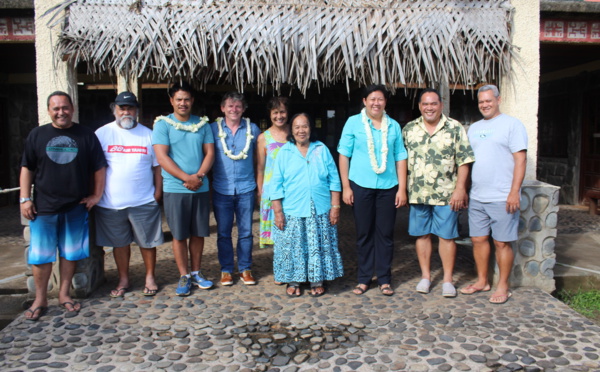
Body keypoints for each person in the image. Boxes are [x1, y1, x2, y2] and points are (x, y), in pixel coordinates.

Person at [20, 91, 107, 320]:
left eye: (65, 108)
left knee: (70, 254)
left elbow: (99, 167)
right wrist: (24, 198)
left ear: (72, 108)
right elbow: (26, 168)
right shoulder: (37, 135)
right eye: (56, 108)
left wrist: (96, 195)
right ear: (49, 110)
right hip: (43, 208)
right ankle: (40, 298)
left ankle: (64, 294)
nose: (61, 112)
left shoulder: (86, 135)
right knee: (41, 256)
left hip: (75, 207)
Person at [402, 88, 475, 297]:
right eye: (425, 104)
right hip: (418, 193)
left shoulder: (454, 127)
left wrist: (460, 188)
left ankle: (448, 280)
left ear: (441, 105)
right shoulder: (409, 129)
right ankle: (425, 277)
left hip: (447, 193)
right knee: (421, 235)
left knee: (447, 236)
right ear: (419, 106)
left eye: (433, 103)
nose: (429, 108)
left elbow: (464, 160)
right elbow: (402, 161)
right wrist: (403, 190)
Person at [338, 85, 408, 297]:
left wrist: (402, 189)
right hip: (360, 185)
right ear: (364, 101)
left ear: (385, 102)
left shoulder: (393, 126)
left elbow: (400, 156)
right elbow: (344, 155)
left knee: (385, 235)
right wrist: (346, 187)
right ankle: (364, 278)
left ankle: (385, 279)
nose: (376, 103)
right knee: (364, 234)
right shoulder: (353, 123)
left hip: (388, 187)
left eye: (380, 99)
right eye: (372, 99)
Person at [460, 84, 527, 304]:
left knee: (502, 243)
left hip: (502, 196)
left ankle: (503, 286)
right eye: (481, 102)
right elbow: (469, 162)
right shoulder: (474, 128)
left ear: (498, 100)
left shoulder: (512, 125)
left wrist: (514, 192)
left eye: (488, 100)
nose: (485, 105)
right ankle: (482, 281)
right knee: (478, 239)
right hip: (478, 195)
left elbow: (520, 159)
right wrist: (466, 189)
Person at [95, 92, 164, 297]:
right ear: (114, 110)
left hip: (143, 200)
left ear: (137, 111)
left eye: (130, 108)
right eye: (122, 108)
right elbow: (95, 168)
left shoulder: (149, 134)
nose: (126, 112)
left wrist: (158, 192)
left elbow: (157, 167)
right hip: (111, 203)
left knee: (147, 242)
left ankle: (150, 276)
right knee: (119, 244)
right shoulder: (101, 134)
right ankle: (123, 279)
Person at [152, 82, 215, 296]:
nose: (183, 103)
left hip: (200, 186)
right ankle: (184, 275)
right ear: (171, 101)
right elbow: (162, 157)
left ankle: (197, 272)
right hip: (175, 188)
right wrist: (185, 178)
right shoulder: (163, 125)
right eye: (178, 99)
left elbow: (209, 154)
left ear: (192, 101)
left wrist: (197, 177)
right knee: (179, 234)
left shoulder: (203, 124)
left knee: (198, 233)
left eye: (186, 99)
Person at [271, 113, 343, 297]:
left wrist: (335, 207)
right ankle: (293, 280)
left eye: (305, 126)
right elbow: (276, 184)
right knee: (293, 246)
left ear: (311, 129)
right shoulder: (284, 152)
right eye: (297, 127)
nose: (301, 130)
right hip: (292, 208)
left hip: (319, 207)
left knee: (317, 245)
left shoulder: (321, 149)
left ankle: (317, 280)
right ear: (291, 130)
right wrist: (278, 211)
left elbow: (334, 179)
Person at [210, 92, 262, 286]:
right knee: (223, 232)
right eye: (230, 106)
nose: (234, 109)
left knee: (246, 232)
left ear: (244, 109)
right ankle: (225, 270)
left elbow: (259, 159)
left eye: (238, 106)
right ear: (222, 108)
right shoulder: (212, 129)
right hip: (221, 189)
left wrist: (259, 185)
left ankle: (245, 268)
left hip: (246, 188)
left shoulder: (253, 129)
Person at [256, 97, 290, 250]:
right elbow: (261, 168)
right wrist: (260, 191)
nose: (279, 116)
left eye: (282, 112)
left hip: (293, 189)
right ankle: (281, 269)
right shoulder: (263, 138)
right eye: (275, 112)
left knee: (293, 233)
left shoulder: (295, 133)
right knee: (277, 234)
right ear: (270, 114)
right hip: (271, 191)